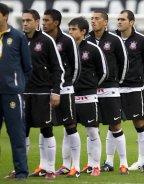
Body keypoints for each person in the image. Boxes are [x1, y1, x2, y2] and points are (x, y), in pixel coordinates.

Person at [21, 9, 65, 180]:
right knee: (22, 132)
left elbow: (58, 68)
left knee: (46, 130)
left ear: (37, 22)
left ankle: (50, 170)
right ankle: (21, 169)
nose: (25, 23)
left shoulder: (46, 41)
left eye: (28, 20)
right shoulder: (18, 39)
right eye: (23, 20)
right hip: (23, 93)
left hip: (43, 93)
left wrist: (55, 91)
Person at [39, 9, 81, 178]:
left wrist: (68, 84)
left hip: (65, 89)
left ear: (56, 22)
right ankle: (43, 166)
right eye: (42, 20)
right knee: (44, 126)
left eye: (47, 20)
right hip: (44, 90)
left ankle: (75, 166)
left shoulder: (67, 40)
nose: (44, 23)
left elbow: (76, 66)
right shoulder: (40, 40)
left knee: (70, 126)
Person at [86, 10, 129, 175]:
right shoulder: (86, 40)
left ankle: (123, 163)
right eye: (92, 19)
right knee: (91, 127)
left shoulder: (115, 40)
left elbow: (123, 63)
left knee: (115, 125)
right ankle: (92, 164)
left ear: (105, 22)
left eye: (97, 19)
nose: (94, 21)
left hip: (110, 88)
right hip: (90, 90)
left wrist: (117, 82)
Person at [68, 17, 108, 177]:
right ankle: (73, 166)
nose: (70, 32)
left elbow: (103, 72)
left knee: (92, 131)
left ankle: (95, 166)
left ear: (83, 32)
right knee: (69, 131)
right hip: (70, 95)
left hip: (89, 96)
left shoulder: (92, 49)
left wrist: (90, 86)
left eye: (74, 29)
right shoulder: (65, 48)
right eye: (69, 29)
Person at [115, 10, 144, 173]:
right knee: (113, 123)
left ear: (131, 22)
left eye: (123, 19)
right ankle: (110, 162)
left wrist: (138, 79)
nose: (119, 22)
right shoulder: (113, 39)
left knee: (139, 122)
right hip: (115, 88)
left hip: (135, 87)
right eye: (118, 19)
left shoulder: (141, 40)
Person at [0, 3, 32, 180]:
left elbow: (28, 67)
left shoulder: (18, 36)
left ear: (5, 15)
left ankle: (21, 173)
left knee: (17, 134)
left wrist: (16, 85)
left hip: (12, 94)